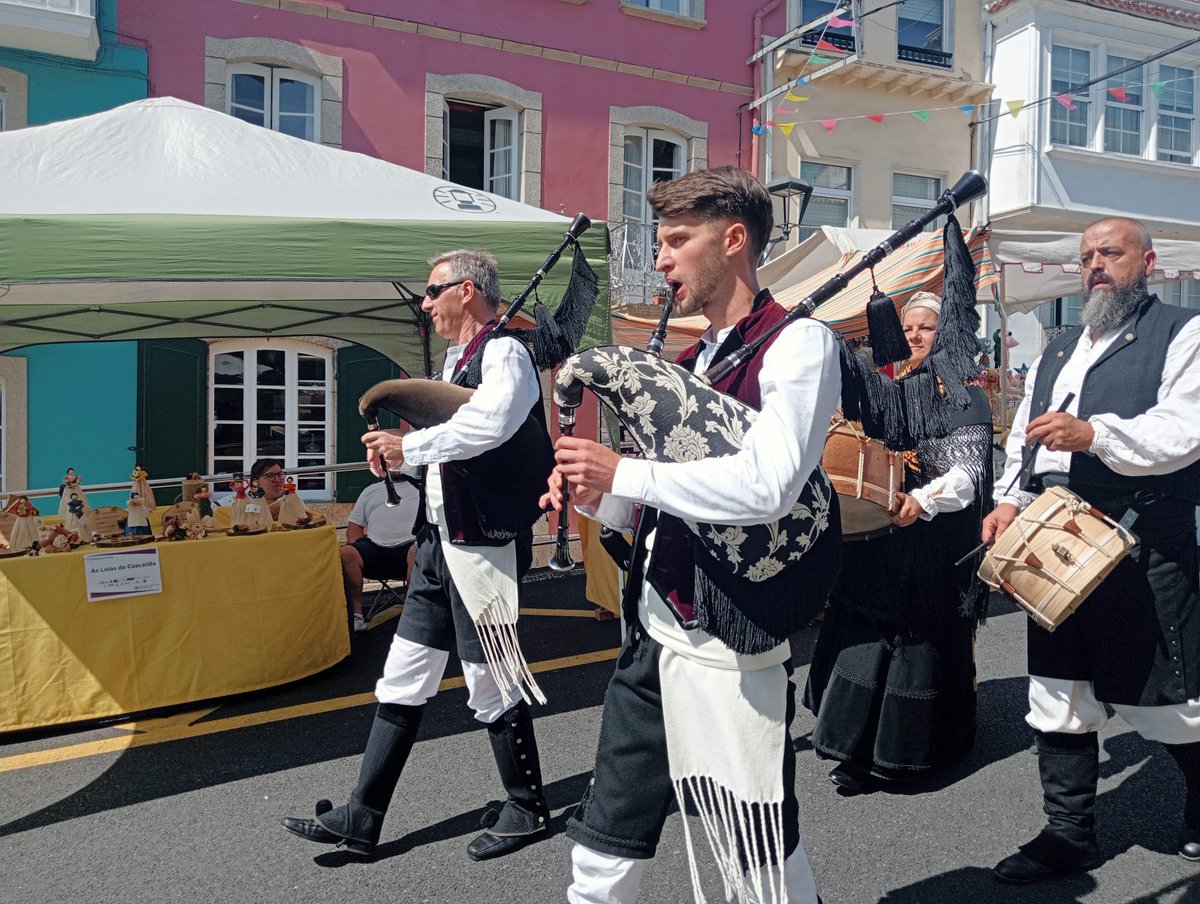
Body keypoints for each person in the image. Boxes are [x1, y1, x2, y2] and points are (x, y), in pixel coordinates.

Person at [544, 166, 841, 904]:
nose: (663, 259)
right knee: (601, 856)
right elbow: (656, 507)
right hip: (651, 637)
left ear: (734, 239)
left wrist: (625, 475)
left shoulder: (799, 347)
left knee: (760, 859)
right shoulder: (685, 364)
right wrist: (598, 497)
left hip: (729, 649)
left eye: (679, 240)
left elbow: (769, 486)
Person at [282, 249, 552, 862]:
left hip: (478, 543)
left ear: (467, 290)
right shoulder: (461, 360)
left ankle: (528, 806)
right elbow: (452, 437)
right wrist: (403, 446)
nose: (425, 304)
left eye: (433, 292)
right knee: (402, 676)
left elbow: (493, 425)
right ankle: (362, 815)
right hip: (436, 542)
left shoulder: (505, 350)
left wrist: (412, 448)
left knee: (491, 677)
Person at [985, 217, 1200, 883]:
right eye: (1086, 257)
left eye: (1111, 252)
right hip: (1054, 537)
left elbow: (1183, 431)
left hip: (1141, 544)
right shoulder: (1058, 346)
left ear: (1148, 261)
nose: (1096, 266)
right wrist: (1007, 499)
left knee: (1169, 703)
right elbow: (1027, 432)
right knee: (1056, 692)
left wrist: (1094, 435)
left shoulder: (1184, 332)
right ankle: (1068, 834)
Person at [804, 291, 994, 794]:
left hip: (933, 535)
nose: (913, 334)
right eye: (908, 326)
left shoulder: (962, 392)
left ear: (946, 336)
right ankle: (853, 747)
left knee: (914, 642)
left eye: (926, 327)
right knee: (863, 632)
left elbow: (969, 474)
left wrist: (923, 502)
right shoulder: (892, 387)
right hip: (882, 530)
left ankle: (907, 753)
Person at [341, 477, 420, 633]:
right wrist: (357, 547)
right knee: (346, 553)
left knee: (418, 550)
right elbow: (355, 526)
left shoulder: (422, 489)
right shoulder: (370, 490)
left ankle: (415, 612)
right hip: (375, 549)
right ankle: (356, 616)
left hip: (410, 548)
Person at [215, 458, 285, 512]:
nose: (277, 480)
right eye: (270, 476)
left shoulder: (291, 498)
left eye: (280, 474)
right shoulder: (239, 499)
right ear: (256, 482)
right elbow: (216, 511)